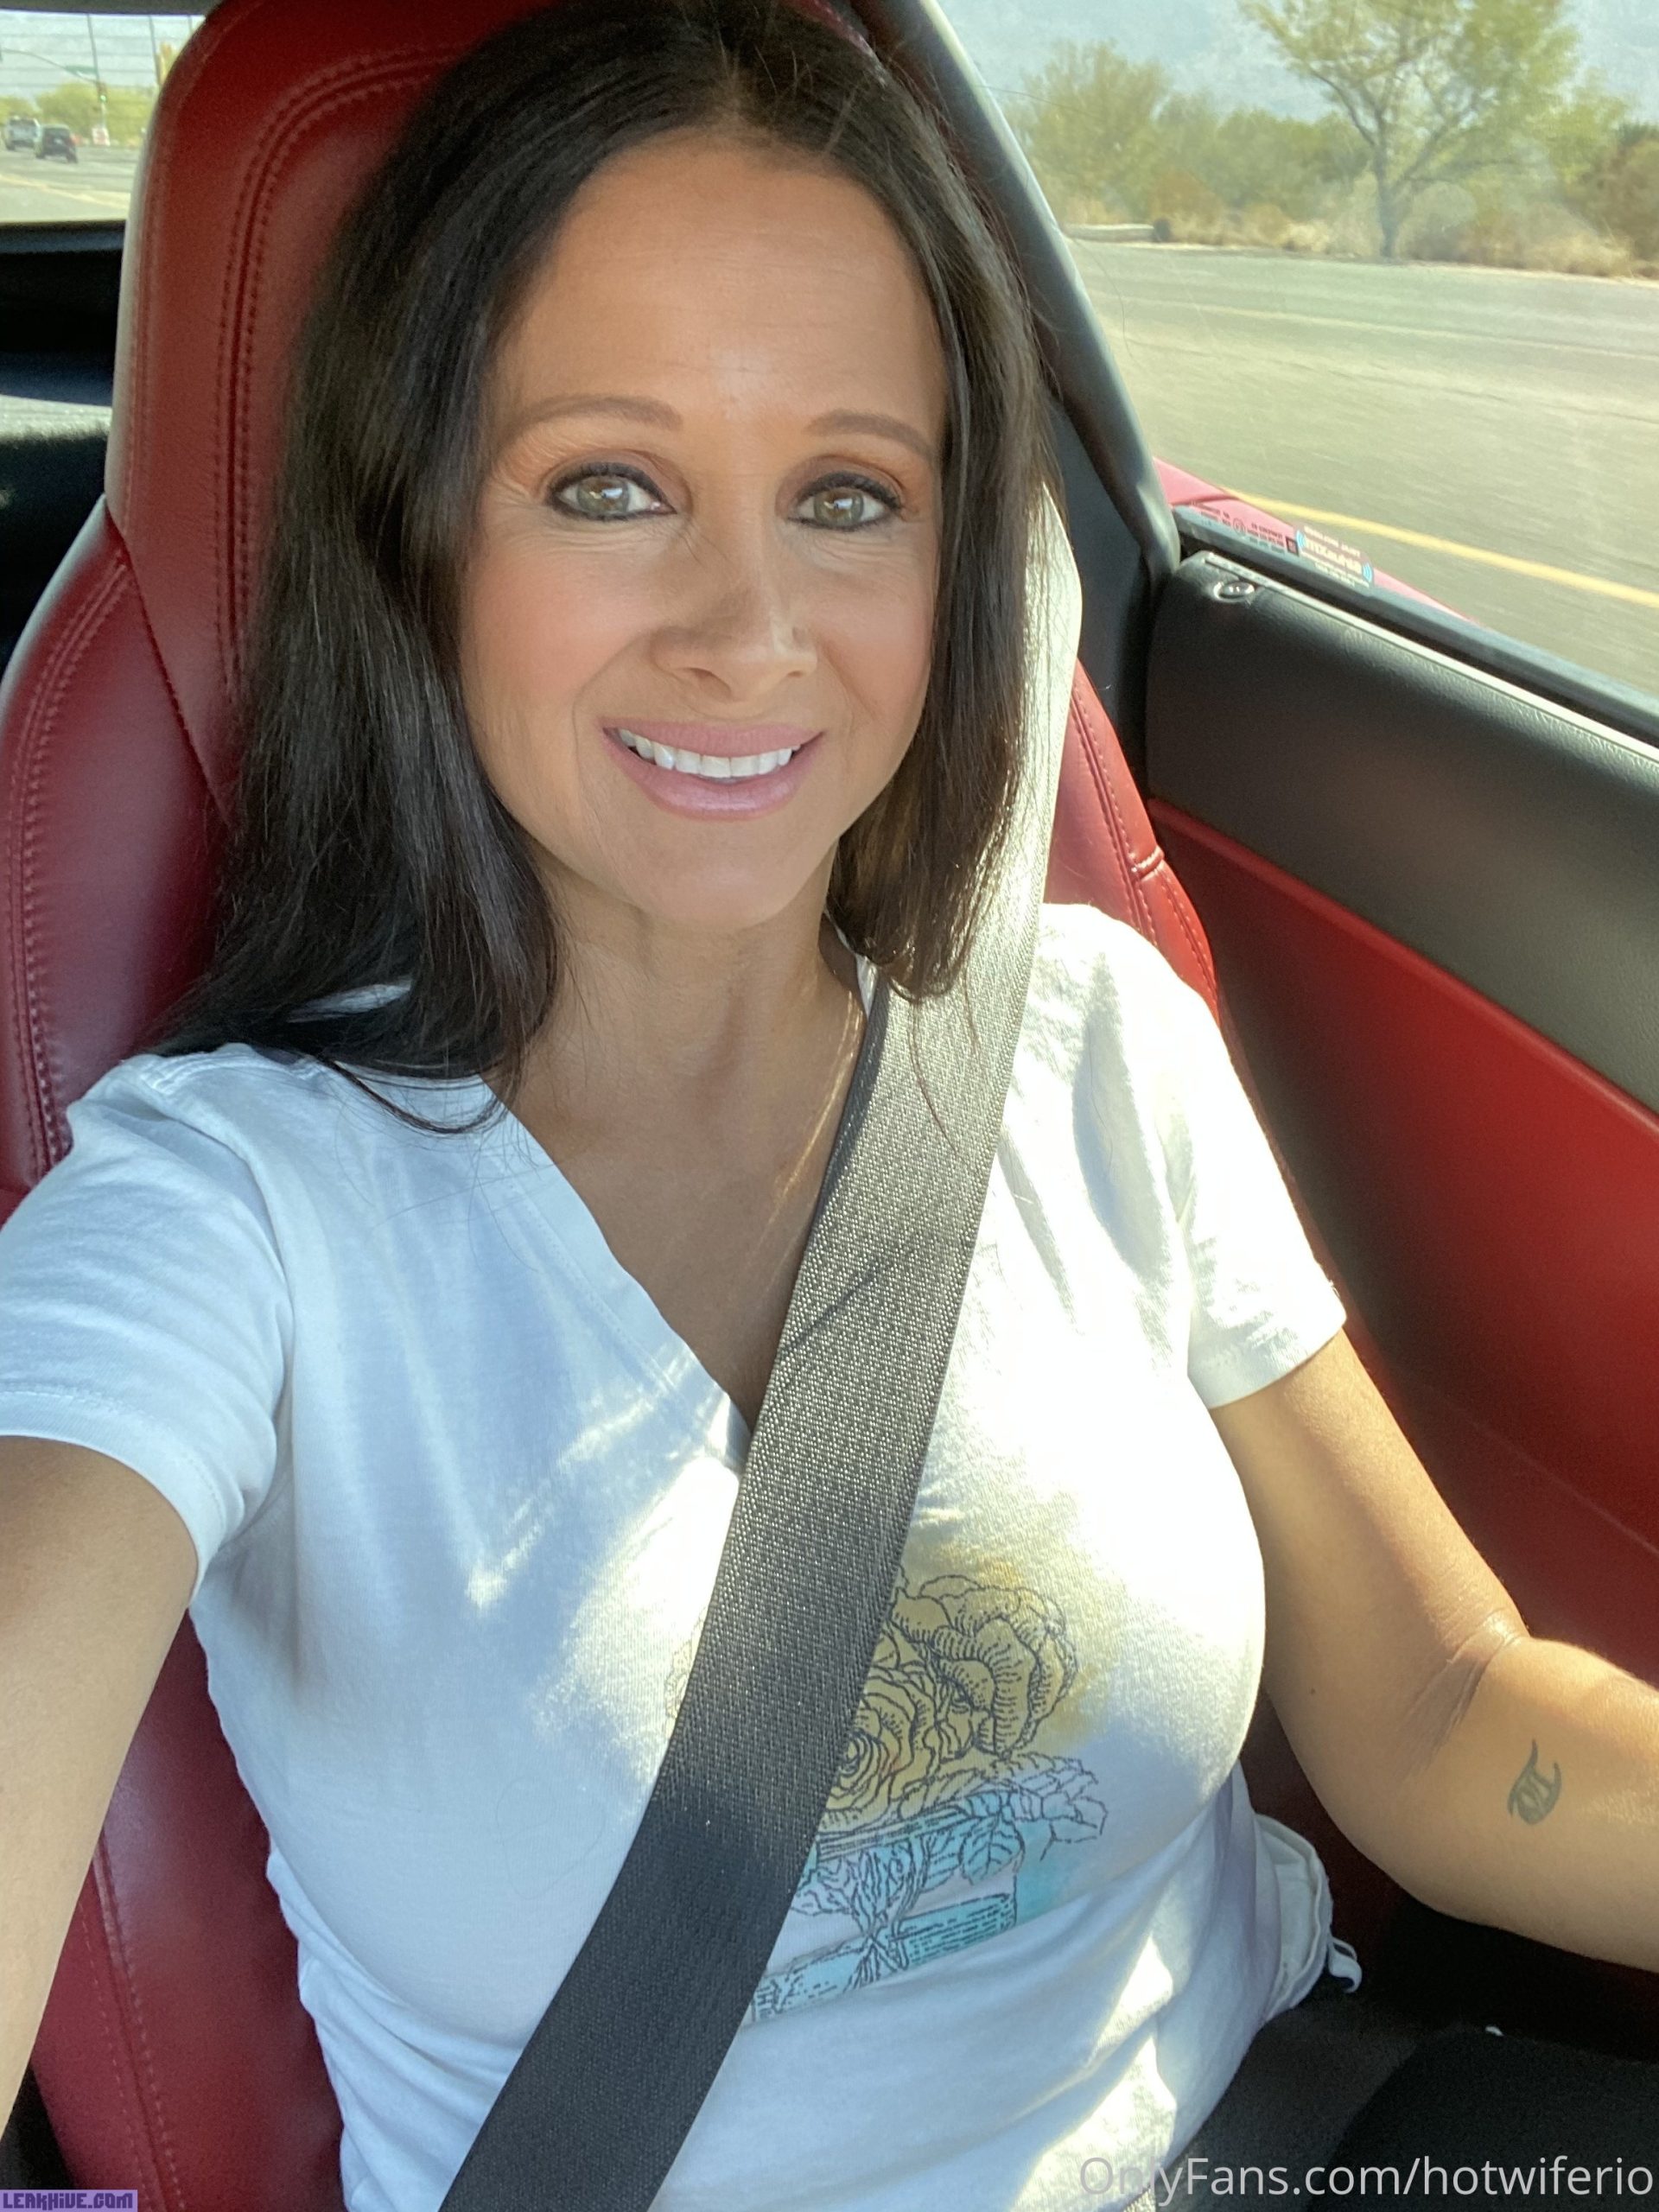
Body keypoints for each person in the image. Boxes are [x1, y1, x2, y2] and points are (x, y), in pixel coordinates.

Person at [0, 4, 1655, 2209]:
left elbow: (1447, 1720)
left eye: (848, 496)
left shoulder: (1092, 1040)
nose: (751, 629)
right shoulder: (226, 1214)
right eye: (609, 485)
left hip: (1290, 2144)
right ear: (420, 539)